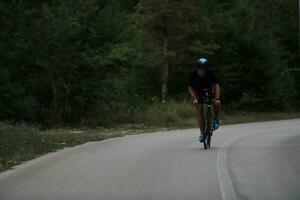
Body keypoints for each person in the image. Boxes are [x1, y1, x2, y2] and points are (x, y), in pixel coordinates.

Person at [188, 58, 221, 142]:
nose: (201, 72)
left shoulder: (211, 73)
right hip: (199, 92)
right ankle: (202, 133)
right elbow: (190, 87)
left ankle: (216, 119)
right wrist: (194, 98)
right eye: (200, 70)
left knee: (217, 103)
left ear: (206, 69)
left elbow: (217, 85)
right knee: (199, 109)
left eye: (204, 70)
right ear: (197, 69)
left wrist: (217, 98)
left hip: (210, 91)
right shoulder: (192, 74)